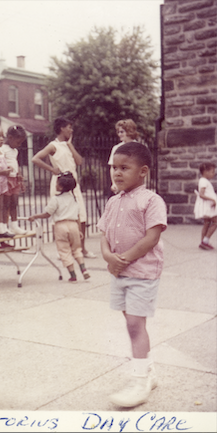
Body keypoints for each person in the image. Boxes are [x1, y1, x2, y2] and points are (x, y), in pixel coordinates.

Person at [97, 141, 167, 408]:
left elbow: (151, 238)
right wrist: (107, 257)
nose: (116, 172)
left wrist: (122, 260)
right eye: (114, 167)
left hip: (141, 273)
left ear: (143, 171)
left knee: (135, 326)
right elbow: (103, 236)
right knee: (132, 324)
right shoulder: (113, 201)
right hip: (120, 273)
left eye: (124, 167)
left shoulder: (151, 200)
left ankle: (139, 380)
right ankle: (148, 371)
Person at [32, 116, 96, 258]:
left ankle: (82, 249)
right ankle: (63, 251)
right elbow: (35, 158)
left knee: (81, 215)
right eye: (69, 127)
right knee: (60, 217)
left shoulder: (68, 145)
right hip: (60, 183)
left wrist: (70, 145)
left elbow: (79, 161)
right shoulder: (53, 145)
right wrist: (52, 169)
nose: (71, 130)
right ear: (62, 128)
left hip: (73, 183)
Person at [29, 171, 90, 282]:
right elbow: (78, 217)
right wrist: (80, 230)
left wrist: (35, 216)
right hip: (74, 225)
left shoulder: (55, 199)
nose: (55, 185)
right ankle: (83, 269)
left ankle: (73, 275)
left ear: (60, 186)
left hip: (61, 226)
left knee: (64, 250)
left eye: (56, 183)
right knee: (77, 249)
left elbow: (47, 214)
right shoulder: (74, 199)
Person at [1, 125, 27, 235]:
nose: (19, 145)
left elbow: (16, 164)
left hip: (15, 179)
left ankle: (15, 226)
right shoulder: (2, 149)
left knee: (14, 203)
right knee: (5, 204)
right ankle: (3, 227)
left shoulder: (15, 150)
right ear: (10, 137)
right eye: (18, 142)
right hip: (6, 179)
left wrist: (20, 177)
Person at [108, 119, 139, 194]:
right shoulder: (116, 148)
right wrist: (114, 183)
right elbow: (113, 167)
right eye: (118, 132)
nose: (119, 134)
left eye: (122, 132)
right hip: (121, 183)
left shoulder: (138, 147)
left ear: (129, 131)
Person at [194, 162, 217, 250]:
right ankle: (205, 241)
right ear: (205, 172)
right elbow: (201, 195)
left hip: (208, 206)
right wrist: (213, 200)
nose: (214, 173)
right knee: (215, 222)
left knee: (207, 223)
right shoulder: (203, 181)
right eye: (212, 171)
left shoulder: (203, 181)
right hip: (209, 206)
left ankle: (203, 242)